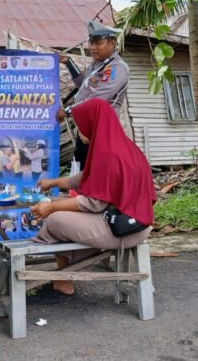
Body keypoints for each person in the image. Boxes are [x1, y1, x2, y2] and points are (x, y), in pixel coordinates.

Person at [32, 99, 156, 296]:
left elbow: (94, 203)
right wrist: (55, 182)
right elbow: (88, 178)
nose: (80, 131)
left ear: (93, 122)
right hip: (136, 221)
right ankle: (66, 276)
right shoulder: (122, 146)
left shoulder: (108, 154)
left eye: (80, 125)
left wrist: (52, 208)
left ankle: (64, 277)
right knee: (60, 209)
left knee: (55, 219)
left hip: (123, 228)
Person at [60, 20, 130, 169]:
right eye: (91, 43)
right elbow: (84, 87)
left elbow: (98, 97)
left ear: (112, 43)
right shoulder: (97, 64)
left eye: (98, 43)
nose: (93, 48)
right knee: (80, 163)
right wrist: (69, 63)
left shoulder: (117, 68)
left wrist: (67, 111)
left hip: (102, 125)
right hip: (87, 123)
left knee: (96, 167)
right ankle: (77, 191)